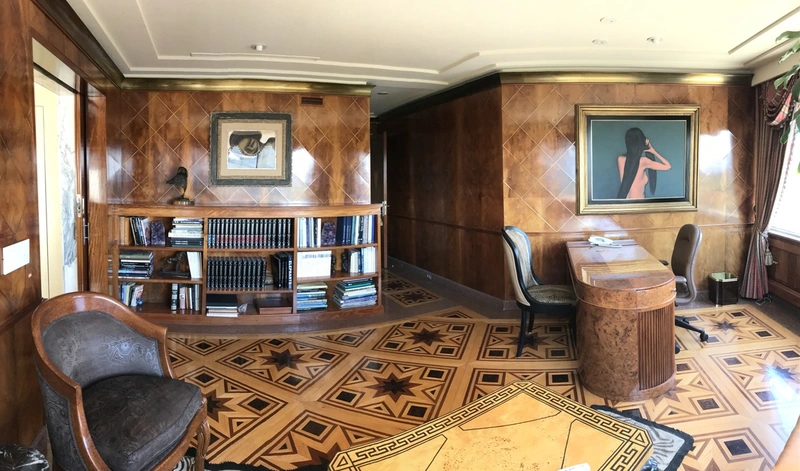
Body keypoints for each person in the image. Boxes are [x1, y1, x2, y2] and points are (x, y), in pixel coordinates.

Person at [617, 127, 671, 199]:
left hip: (627, 201)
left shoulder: (620, 159)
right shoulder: (643, 161)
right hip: (638, 202)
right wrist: (653, 151)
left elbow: (624, 185)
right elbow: (667, 166)